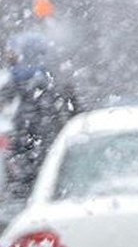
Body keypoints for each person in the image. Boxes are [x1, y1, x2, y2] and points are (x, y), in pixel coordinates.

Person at [0, 32, 79, 201]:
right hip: (44, 148)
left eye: (14, 53)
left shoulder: (25, 81)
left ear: (25, 54)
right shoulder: (46, 79)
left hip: (31, 152)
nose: (9, 58)